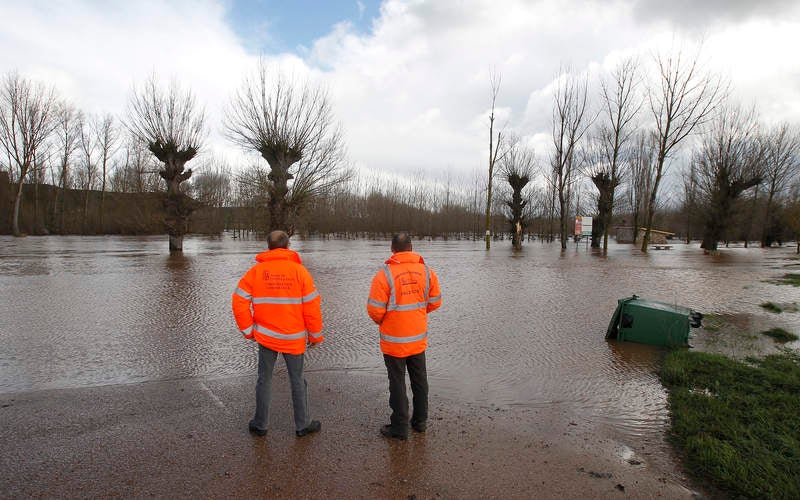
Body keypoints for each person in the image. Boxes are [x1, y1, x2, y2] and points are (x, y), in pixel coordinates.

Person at [232, 230, 324, 437]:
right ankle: (303, 424)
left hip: (266, 336)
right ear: (288, 246)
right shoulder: (300, 272)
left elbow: (238, 301)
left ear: (269, 247)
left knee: (264, 379)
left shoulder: (256, 272)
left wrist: (248, 330)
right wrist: (315, 335)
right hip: (294, 337)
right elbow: (312, 306)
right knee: (297, 380)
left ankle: (260, 424)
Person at [367, 232, 442, 440]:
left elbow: (374, 310)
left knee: (397, 382)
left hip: (394, 340)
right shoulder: (427, 271)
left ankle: (399, 427)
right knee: (419, 380)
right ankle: (420, 422)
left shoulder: (384, 275)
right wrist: (417, 314)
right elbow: (435, 301)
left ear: (392, 249)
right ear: (411, 247)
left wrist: (387, 320)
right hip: (417, 337)